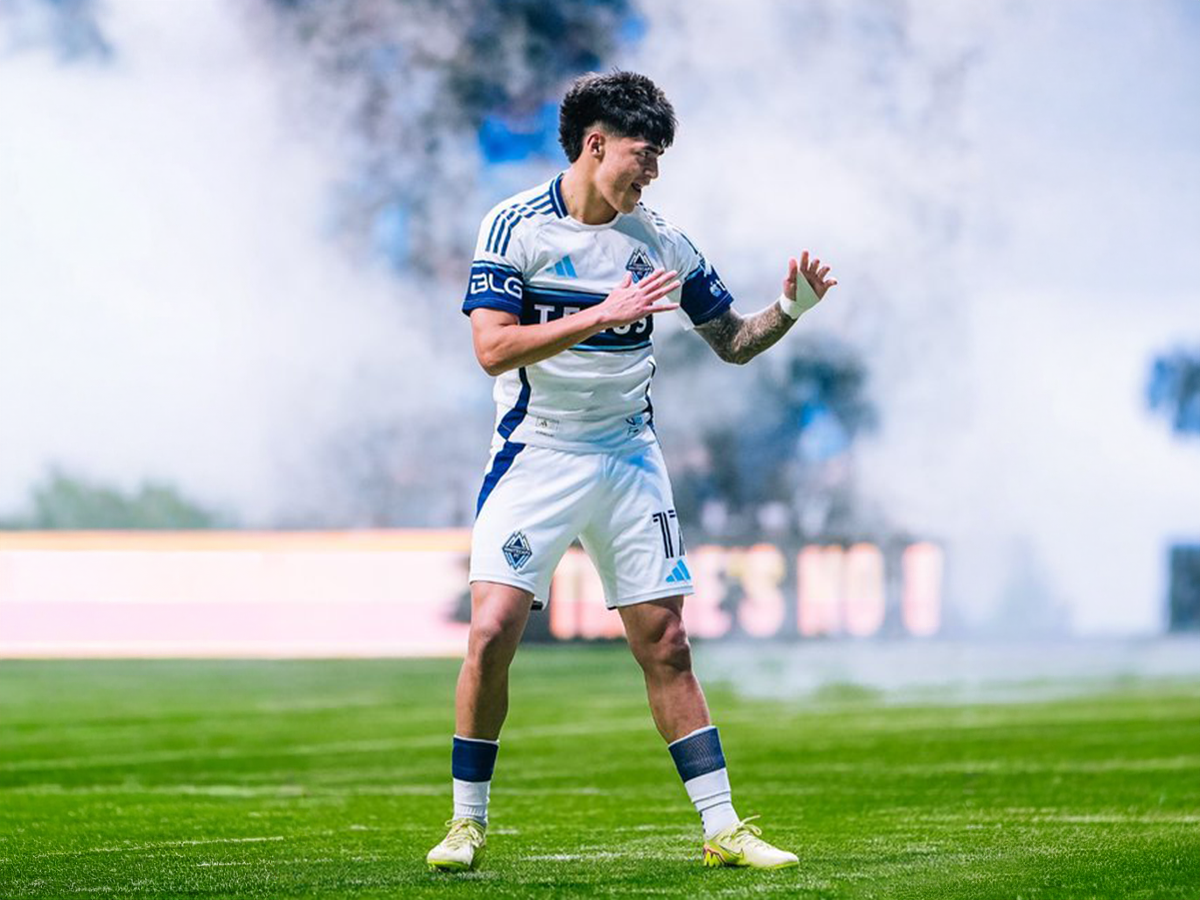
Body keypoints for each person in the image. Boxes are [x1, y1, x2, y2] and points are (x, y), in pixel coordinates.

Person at [427, 70, 837, 873]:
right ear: (596, 144)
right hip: (535, 452)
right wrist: (602, 314)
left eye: (658, 161)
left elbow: (732, 341)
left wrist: (789, 310)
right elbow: (492, 349)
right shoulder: (512, 227)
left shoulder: (662, 242)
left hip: (626, 456)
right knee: (492, 629)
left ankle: (723, 829)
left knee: (668, 642)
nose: (651, 174)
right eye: (642, 156)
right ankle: (466, 824)